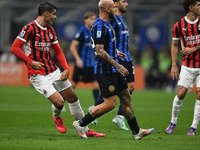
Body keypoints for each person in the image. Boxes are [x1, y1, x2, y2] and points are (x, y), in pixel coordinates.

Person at [11, 2, 105, 137]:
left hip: (53, 70)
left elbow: (59, 52)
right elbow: (15, 48)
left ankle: (84, 128)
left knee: (73, 96)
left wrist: (66, 69)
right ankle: (57, 116)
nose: (55, 17)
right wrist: (30, 62)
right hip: (37, 74)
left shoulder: (50, 30)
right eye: (53, 14)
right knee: (60, 102)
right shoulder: (29, 28)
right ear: (46, 13)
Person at [72, 0, 154, 140]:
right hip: (106, 70)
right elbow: (99, 51)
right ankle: (80, 124)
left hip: (114, 69)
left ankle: (136, 131)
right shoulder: (99, 26)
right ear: (108, 9)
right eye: (113, 8)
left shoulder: (107, 25)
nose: (116, 10)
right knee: (110, 104)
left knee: (126, 98)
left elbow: (105, 46)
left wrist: (115, 52)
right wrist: (117, 64)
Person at [166, 0, 200, 135]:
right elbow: (174, 45)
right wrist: (174, 65)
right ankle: (173, 121)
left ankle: (193, 126)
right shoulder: (179, 25)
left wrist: (194, 48)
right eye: (198, 5)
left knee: (199, 94)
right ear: (191, 8)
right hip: (187, 65)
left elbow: (193, 47)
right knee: (181, 94)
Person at [69, 12, 99, 105]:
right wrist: (78, 59)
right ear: (85, 20)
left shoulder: (95, 32)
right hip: (81, 63)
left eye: (94, 19)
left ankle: (97, 106)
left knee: (96, 85)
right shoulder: (82, 31)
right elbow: (72, 47)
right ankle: (61, 102)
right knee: (73, 84)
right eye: (90, 19)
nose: (93, 21)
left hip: (91, 64)